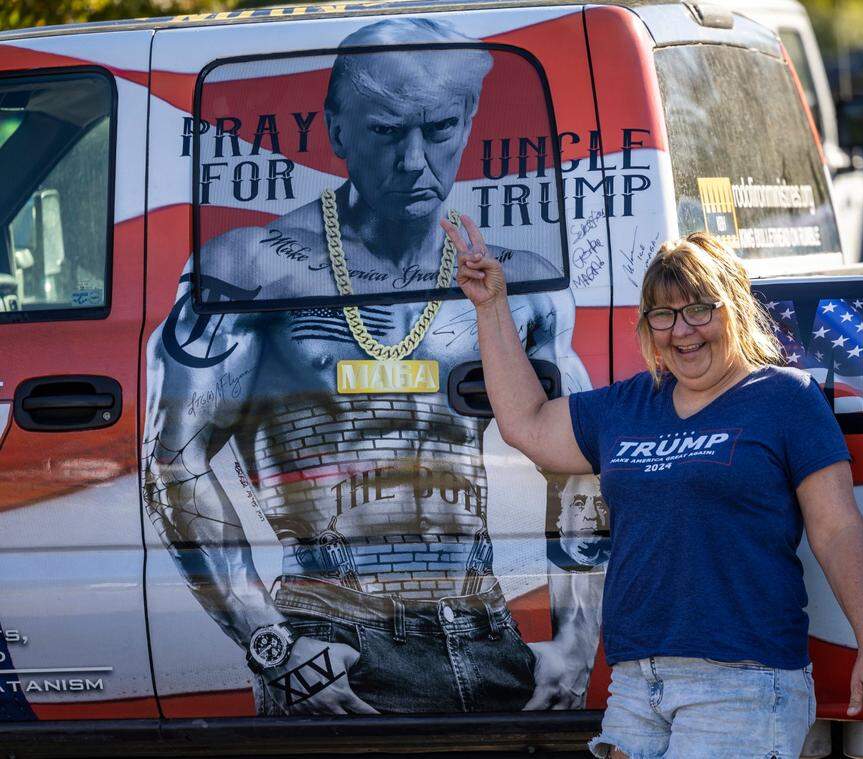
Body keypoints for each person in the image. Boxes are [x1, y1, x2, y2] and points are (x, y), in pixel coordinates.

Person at [143, 17, 606, 716]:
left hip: (487, 636)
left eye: (440, 128)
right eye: (388, 132)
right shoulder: (251, 271)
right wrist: (269, 641)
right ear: (336, 128)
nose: (416, 161)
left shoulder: (521, 282)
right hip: (331, 638)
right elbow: (172, 459)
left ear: (470, 118)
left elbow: (575, 454)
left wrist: (575, 640)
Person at [443, 218, 863, 757]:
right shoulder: (631, 403)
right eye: (664, 314)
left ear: (732, 307)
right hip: (637, 685)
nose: (682, 330)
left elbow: (836, 527)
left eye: (698, 308)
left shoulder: (785, 398)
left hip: (743, 684)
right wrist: (491, 306)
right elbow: (526, 423)